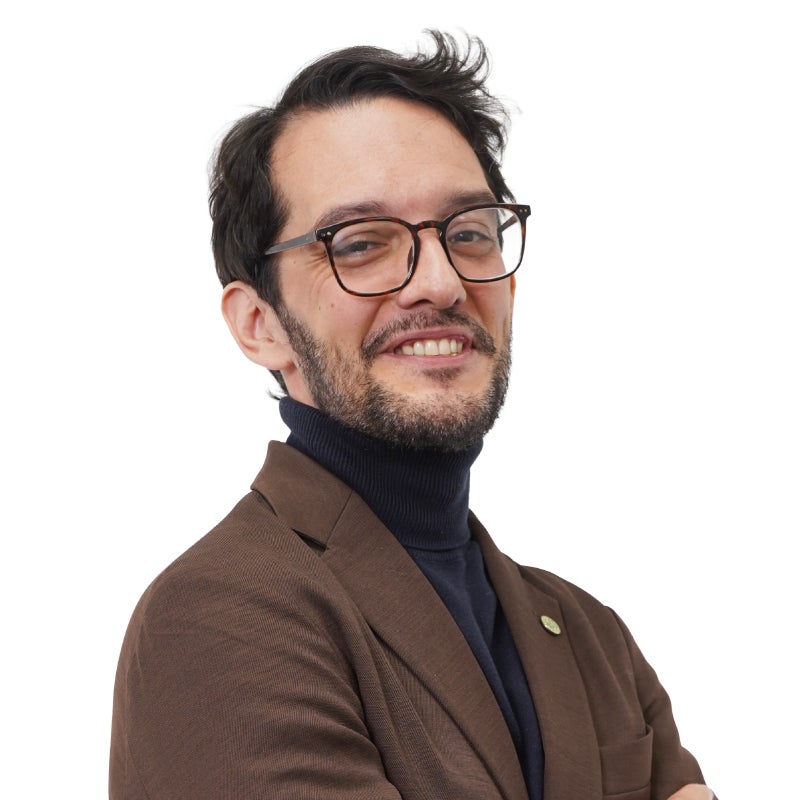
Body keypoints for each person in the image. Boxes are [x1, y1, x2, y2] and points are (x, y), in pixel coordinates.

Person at [109, 31, 715, 800]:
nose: (440, 282)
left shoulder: (593, 636)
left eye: (469, 233)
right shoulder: (220, 614)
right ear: (260, 324)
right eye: (361, 244)